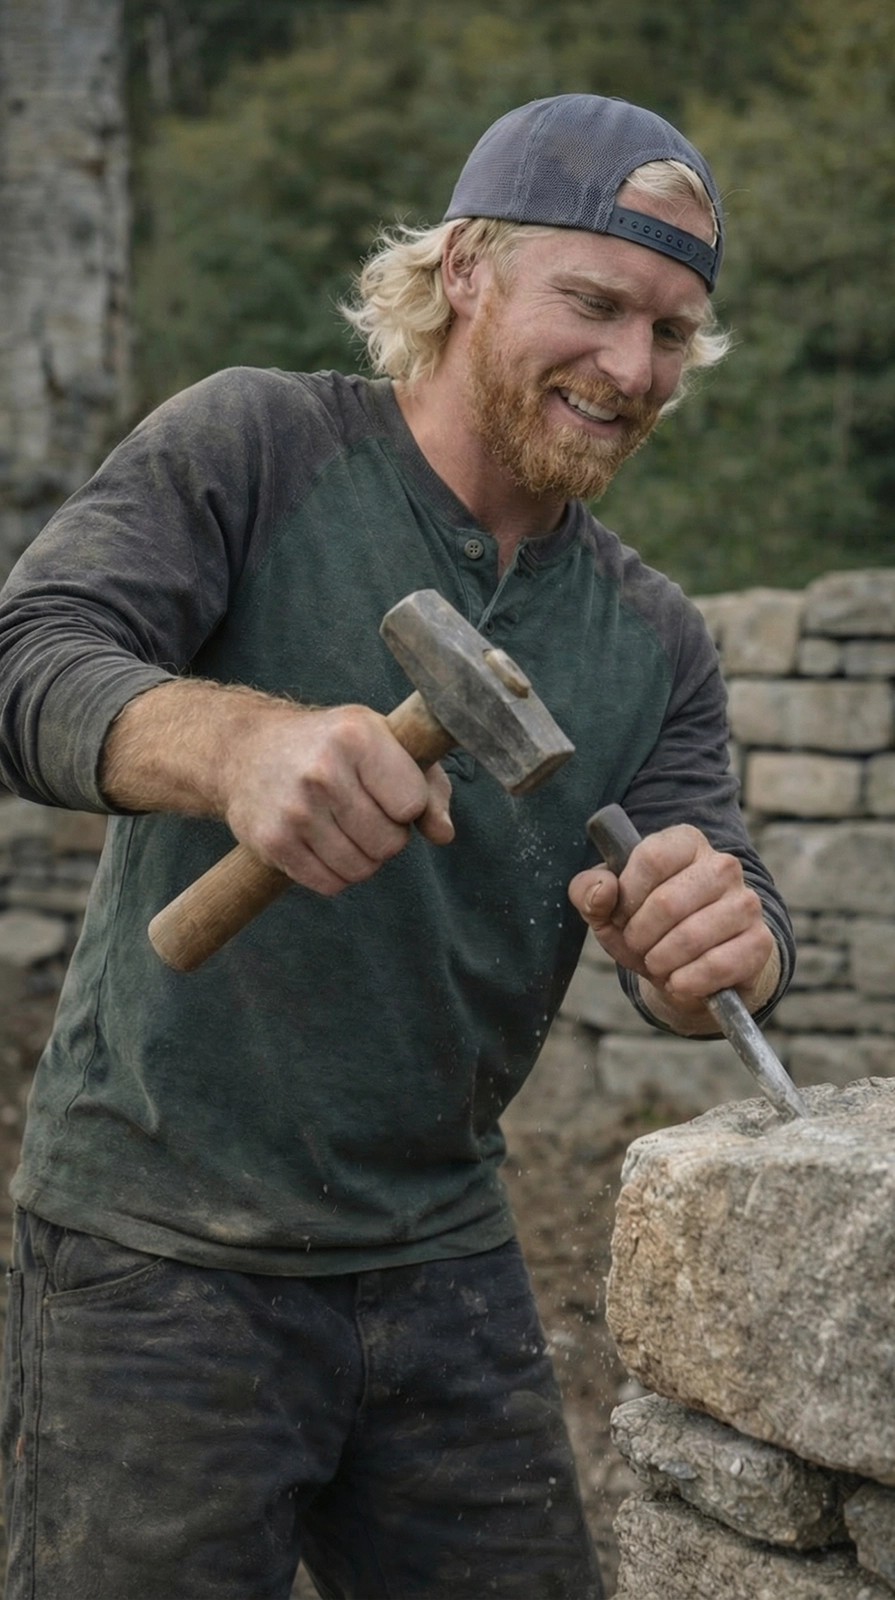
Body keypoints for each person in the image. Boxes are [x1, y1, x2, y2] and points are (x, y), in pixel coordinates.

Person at [0, 94, 794, 1598]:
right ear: (464, 274)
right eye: (597, 303)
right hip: (158, 1250)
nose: (635, 370)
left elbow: (709, 910)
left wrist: (719, 941)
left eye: (675, 333)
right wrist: (234, 746)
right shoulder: (257, 443)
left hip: (444, 1251)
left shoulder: (651, 639)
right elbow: (28, 654)